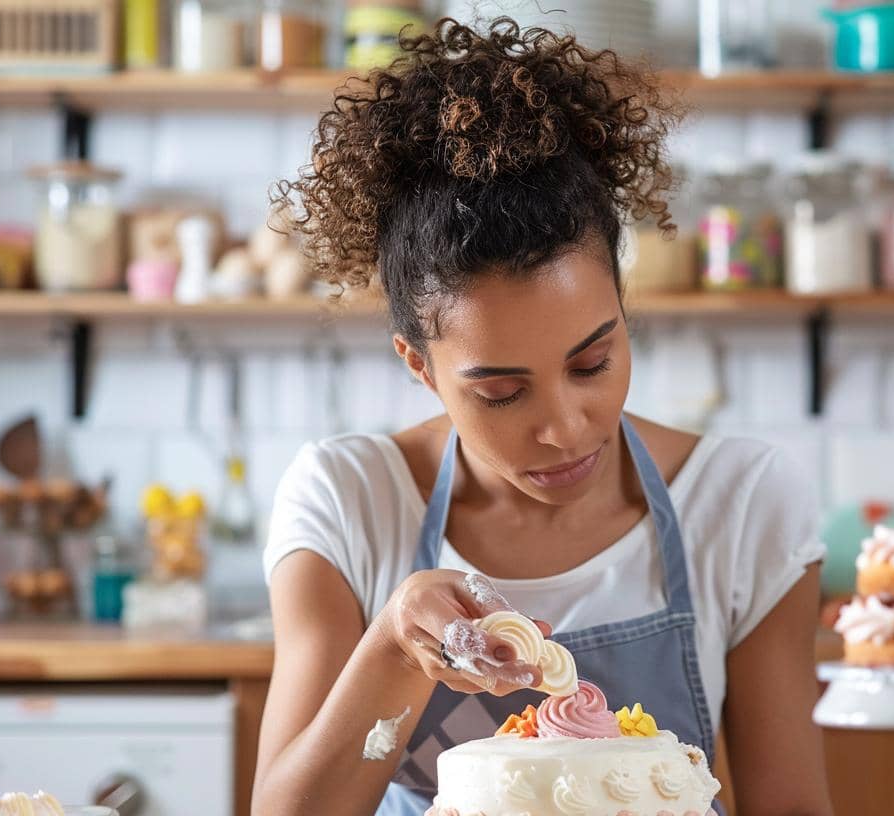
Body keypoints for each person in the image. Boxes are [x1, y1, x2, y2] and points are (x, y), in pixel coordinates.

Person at [253, 17, 831, 816]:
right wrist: (394, 646)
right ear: (418, 365)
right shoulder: (350, 502)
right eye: (501, 392)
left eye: (593, 363)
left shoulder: (740, 504)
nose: (565, 427)